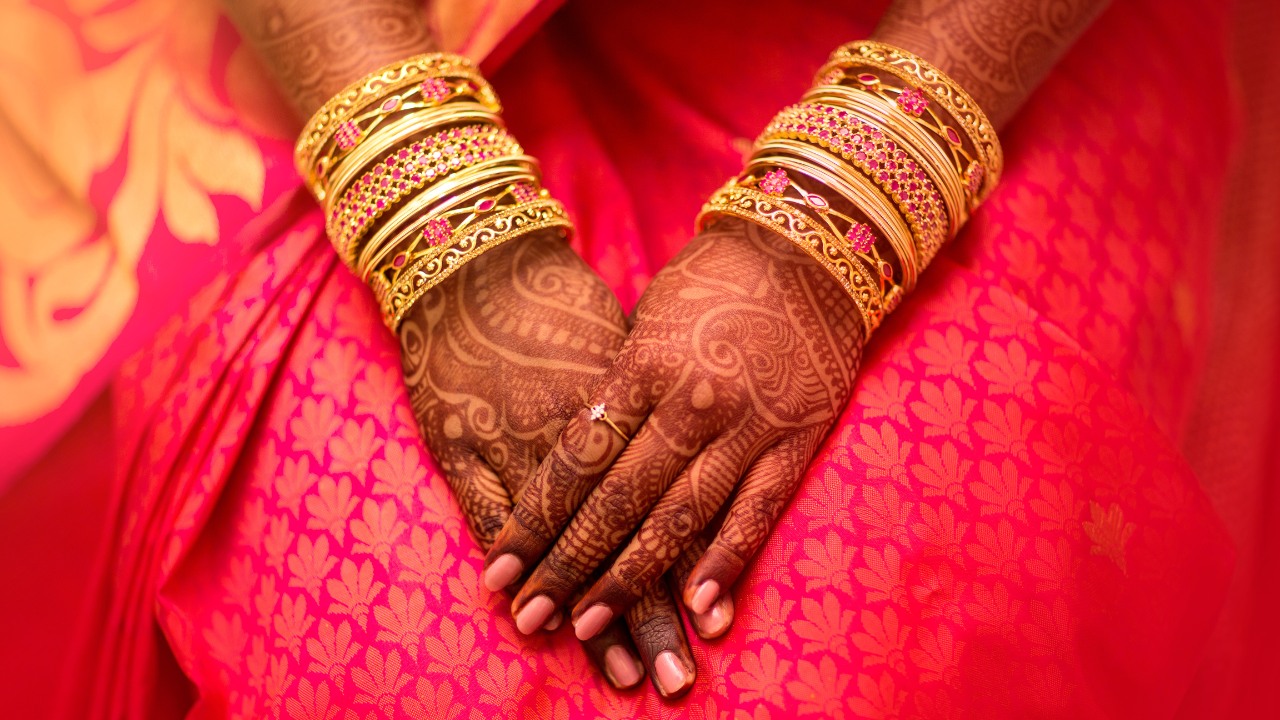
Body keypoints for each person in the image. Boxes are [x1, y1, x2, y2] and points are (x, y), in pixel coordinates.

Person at [13, 0, 1252, 717]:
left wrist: (855, 196)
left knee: (858, 668)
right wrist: (437, 218)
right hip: (364, 37)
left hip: (975, 44)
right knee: (405, 674)